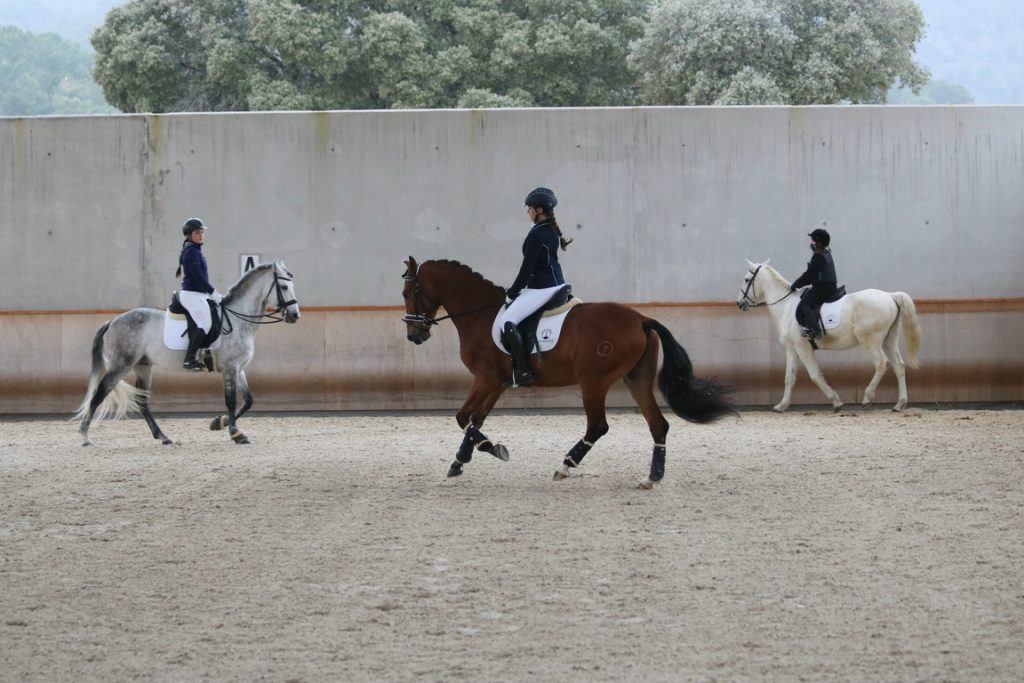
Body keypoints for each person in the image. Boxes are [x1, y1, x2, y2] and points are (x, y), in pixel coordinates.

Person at [496, 187, 574, 387]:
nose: (528, 211)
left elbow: (526, 269)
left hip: (542, 288)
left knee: (507, 321)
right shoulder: (549, 230)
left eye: (530, 208)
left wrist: (511, 294)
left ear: (539, 210)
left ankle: (522, 371)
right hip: (555, 283)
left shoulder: (537, 234)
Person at [175, 217, 222, 371]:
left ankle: (206, 352)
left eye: (202, 232)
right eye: (197, 233)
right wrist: (214, 293)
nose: (201, 235)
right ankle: (189, 359)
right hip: (191, 294)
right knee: (205, 323)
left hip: (199, 294)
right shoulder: (191, 252)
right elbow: (199, 278)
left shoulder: (195, 251)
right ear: (189, 235)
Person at [790, 227, 838, 340]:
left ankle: (816, 330)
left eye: (813, 240)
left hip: (823, 288)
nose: (811, 243)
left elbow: (808, 276)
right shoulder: (826, 253)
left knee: (804, 304)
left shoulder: (818, 257)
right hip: (830, 286)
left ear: (818, 242)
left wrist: (795, 284)